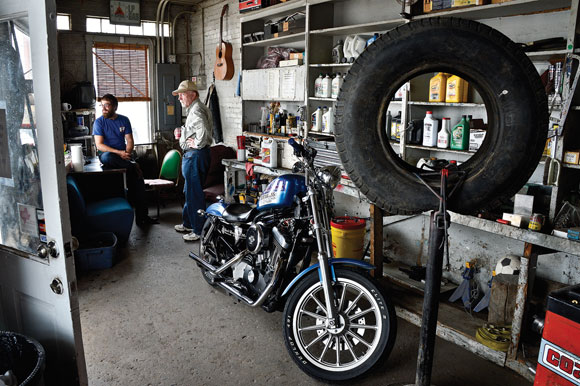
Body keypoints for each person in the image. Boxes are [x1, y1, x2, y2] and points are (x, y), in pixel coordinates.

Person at [93, 93, 157, 226]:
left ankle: (142, 218)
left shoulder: (124, 120)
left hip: (124, 157)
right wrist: (120, 153)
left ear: (115, 107)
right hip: (108, 155)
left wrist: (127, 153)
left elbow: (129, 140)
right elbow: (99, 145)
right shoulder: (99, 122)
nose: (103, 108)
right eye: (101, 105)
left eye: (107, 105)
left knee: (139, 182)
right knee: (109, 157)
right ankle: (132, 165)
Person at [172, 80, 213, 241]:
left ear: (193, 94)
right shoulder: (197, 108)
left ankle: (198, 230)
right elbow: (197, 129)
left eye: (182, 94)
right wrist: (183, 133)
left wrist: (196, 143)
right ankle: (188, 222)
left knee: (194, 194)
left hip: (195, 155)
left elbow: (202, 132)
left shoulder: (196, 111)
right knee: (189, 191)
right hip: (196, 155)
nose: (179, 98)